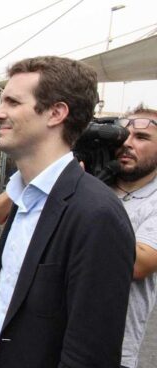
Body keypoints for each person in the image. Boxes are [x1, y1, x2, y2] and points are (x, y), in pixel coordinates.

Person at [0, 56, 135, 368]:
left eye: (13, 102)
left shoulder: (97, 215)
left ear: (56, 113)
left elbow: (90, 354)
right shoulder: (23, 196)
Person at [115, 104, 157, 368]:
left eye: (142, 137)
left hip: (114, 349)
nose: (127, 143)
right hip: (51, 335)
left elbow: (138, 264)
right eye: (123, 135)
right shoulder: (92, 181)